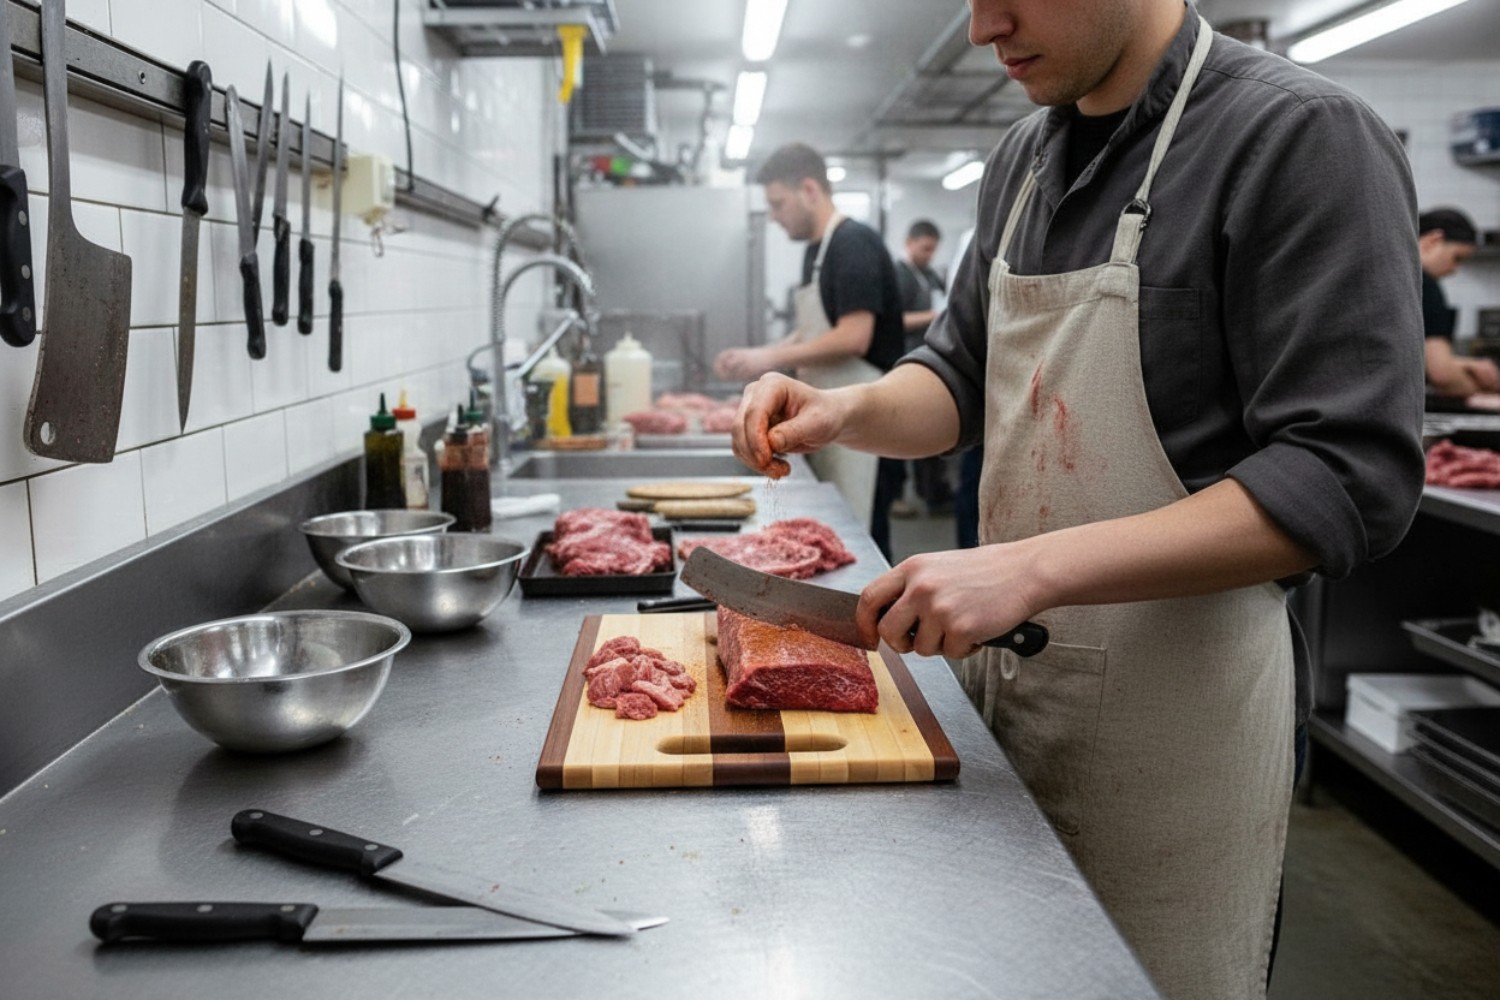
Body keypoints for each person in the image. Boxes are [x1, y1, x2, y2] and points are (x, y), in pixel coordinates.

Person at [727, 4, 1424, 999]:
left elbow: (1348, 474)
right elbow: (961, 375)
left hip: (1174, 735)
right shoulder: (1021, 158)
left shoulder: (1295, 139)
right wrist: (844, 410)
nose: (982, 28)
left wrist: (1035, 566)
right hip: (1009, 700)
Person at [714, 143, 906, 558]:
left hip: (872, 427)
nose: (774, 217)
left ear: (809, 189)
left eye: (778, 204)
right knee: (838, 540)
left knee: (865, 546)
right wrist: (757, 355)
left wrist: (767, 360)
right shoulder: (816, 251)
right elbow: (808, 331)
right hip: (837, 421)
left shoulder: (854, 244)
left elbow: (853, 336)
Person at [892, 220, 954, 516]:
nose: (929, 255)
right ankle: (906, 493)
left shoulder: (930, 276)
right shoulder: (901, 275)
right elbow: (895, 321)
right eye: (924, 248)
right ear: (909, 242)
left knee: (931, 433)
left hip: (933, 357)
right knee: (906, 433)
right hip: (907, 361)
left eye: (933, 250)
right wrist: (932, 315)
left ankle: (934, 493)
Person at [1419, 207, 1496, 398]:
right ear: (1433, 241)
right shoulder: (1424, 285)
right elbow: (1442, 374)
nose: (1454, 270)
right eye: (1457, 258)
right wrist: (1481, 394)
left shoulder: (1385, 279)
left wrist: (1462, 364)